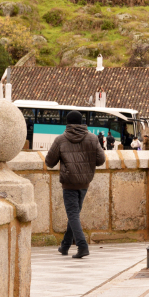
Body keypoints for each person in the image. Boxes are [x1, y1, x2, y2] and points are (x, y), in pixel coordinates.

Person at [44, 111, 106, 259]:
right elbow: (101, 160)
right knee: (75, 214)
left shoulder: (61, 140)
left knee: (72, 214)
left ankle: (82, 245)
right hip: (85, 182)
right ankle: (65, 245)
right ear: (82, 122)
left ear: (67, 123)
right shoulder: (92, 138)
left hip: (69, 182)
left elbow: (49, 162)